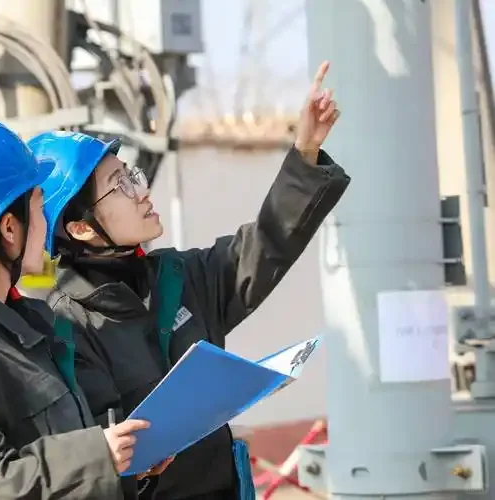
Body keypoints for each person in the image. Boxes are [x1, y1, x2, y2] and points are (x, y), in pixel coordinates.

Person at [28, 61, 351, 499]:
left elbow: (265, 244)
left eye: (131, 176)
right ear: (81, 228)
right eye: (119, 186)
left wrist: (305, 151)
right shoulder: (64, 330)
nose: (141, 192)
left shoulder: (179, 277)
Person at [0, 115, 155, 500]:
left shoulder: (19, 321)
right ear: (8, 228)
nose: (47, 223)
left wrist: (122, 466)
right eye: (38, 207)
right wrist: (95, 456)